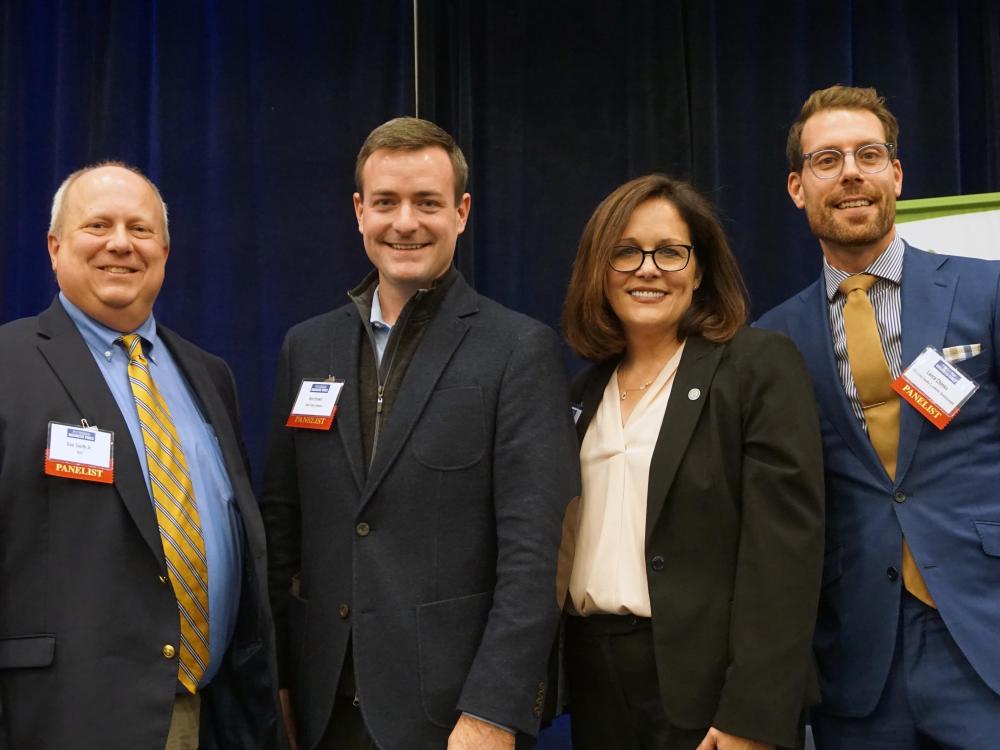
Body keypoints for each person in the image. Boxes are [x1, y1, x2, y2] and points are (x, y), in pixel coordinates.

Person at [261, 117, 579, 750]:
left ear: (461, 212)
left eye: (427, 203)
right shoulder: (308, 347)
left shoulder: (518, 350)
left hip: (456, 719)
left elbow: (537, 554)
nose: (405, 223)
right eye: (385, 202)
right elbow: (282, 530)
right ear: (359, 212)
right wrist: (282, 684)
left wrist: (494, 709)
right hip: (324, 711)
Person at [0, 162, 281, 749]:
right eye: (97, 225)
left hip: (219, 716)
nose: (121, 243)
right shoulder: (9, 365)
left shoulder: (209, 375)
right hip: (64, 721)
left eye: (140, 229)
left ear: (165, 251)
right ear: (54, 247)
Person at [757, 84, 1000, 748]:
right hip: (859, 663)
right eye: (827, 160)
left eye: (868, 154)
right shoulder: (771, 342)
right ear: (797, 187)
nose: (851, 173)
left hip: (984, 638)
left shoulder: (987, 290)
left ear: (896, 173)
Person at [560, 174, 824, 750]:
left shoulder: (756, 366)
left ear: (699, 269)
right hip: (597, 681)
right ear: (599, 271)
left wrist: (751, 717)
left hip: (709, 697)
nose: (647, 268)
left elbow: (785, 556)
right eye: (625, 252)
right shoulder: (583, 391)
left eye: (670, 252)